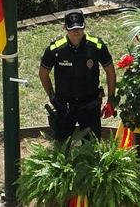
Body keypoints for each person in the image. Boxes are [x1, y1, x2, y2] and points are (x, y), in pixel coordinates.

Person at [39, 9, 116, 141]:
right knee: (62, 147)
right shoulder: (55, 49)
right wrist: (52, 96)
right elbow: (43, 73)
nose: (76, 32)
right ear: (65, 28)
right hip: (64, 106)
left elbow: (110, 72)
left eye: (79, 27)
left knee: (92, 146)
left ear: (84, 26)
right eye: (72, 28)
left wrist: (111, 100)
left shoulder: (96, 46)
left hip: (90, 105)